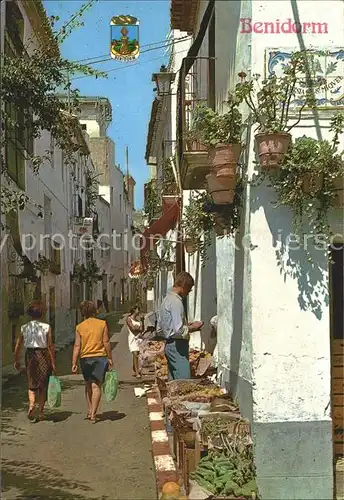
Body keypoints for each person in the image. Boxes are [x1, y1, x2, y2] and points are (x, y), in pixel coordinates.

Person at [14, 300, 56, 422]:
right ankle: (41, 412)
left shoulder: (24, 327)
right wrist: (53, 363)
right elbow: (50, 346)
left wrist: (16, 360)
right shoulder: (46, 327)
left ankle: (32, 405)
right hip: (43, 355)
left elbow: (18, 345)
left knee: (32, 383)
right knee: (43, 385)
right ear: (42, 313)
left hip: (30, 355)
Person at [72, 300, 113, 423]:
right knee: (96, 386)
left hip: (85, 359)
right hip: (100, 358)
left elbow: (77, 346)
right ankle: (94, 414)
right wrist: (110, 357)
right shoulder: (102, 324)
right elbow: (106, 342)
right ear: (95, 311)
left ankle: (90, 409)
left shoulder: (79, 327)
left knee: (88, 384)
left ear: (82, 313)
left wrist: (74, 363)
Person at [157, 272, 203, 380]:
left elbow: (159, 329)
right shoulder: (176, 302)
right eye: (189, 289)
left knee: (173, 383)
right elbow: (178, 331)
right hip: (178, 345)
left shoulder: (166, 300)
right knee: (183, 382)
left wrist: (186, 325)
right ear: (184, 286)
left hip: (169, 344)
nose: (188, 292)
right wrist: (194, 327)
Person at [126, 306, 143, 378]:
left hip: (139, 339)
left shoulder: (138, 321)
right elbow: (133, 329)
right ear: (134, 310)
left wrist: (142, 322)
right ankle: (136, 373)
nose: (139, 311)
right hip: (132, 339)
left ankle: (135, 367)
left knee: (137, 355)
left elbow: (142, 329)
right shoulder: (129, 319)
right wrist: (137, 328)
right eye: (138, 310)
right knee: (135, 354)